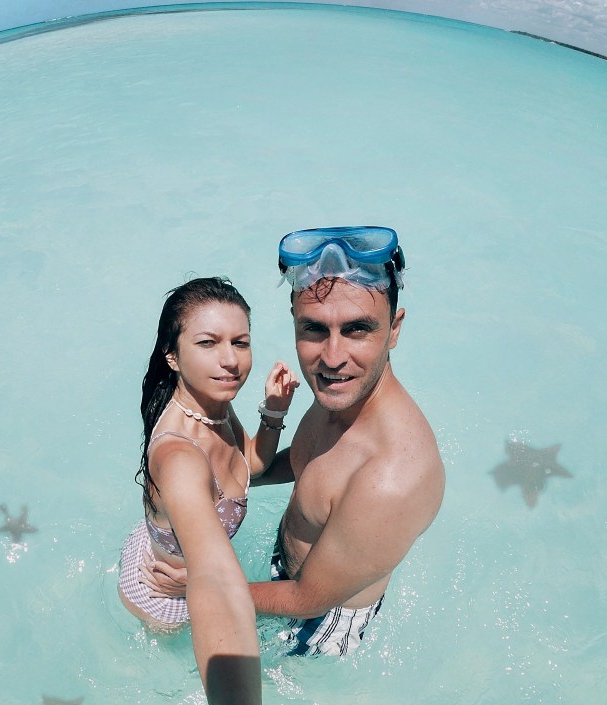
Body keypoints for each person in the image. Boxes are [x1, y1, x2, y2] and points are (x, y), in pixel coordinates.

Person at [145, 227, 445, 657]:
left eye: (357, 329)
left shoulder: (392, 479)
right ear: (293, 319)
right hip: (285, 578)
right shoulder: (341, 395)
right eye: (314, 329)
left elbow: (309, 599)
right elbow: (306, 461)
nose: (333, 358)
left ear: (394, 329)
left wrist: (204, 584)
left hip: (320, 622)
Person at [118, 276, 298, 705]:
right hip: (165, 596)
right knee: (170, 695)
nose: (230, 360)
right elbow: (215, 583)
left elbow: (247, 467)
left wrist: (274, 412)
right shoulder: (179, 458)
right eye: (208, 343)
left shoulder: (212, 408)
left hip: (175, 560)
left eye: (240, 342)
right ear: (172, 356)